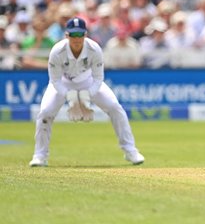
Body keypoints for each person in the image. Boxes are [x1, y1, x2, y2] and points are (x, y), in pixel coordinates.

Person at [29, 17, 145, 167]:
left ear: (85, 35)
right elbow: (55, 80)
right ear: (66, 35)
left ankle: (131, 151)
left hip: (88, 81)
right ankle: (40, 156)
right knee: (45, 112)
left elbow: (98, 78)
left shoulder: (94, 48)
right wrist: (69, 95)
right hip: (63, 82)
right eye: (73, 35)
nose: (76, 39)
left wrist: (87, 94)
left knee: (115, 108)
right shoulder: (57, 51)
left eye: (80, 35)